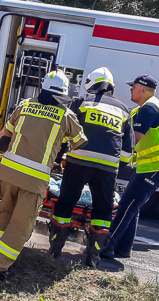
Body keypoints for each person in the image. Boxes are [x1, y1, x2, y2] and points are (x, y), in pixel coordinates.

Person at [0, 70, 87, 281]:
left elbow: (4, 138)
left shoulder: (24, 105)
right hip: (34, 179)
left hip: (9, 172)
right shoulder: (66, 115)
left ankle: (0, 252)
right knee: (22, 226)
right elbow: (80, 142)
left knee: (6, 213)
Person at [48, 67, 135, 267]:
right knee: (103, 210)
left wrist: (58, 157)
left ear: (90, 83)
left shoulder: (81, 103)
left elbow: (63, 129)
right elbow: (128, 151)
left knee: (66, 203)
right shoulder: (123, 110)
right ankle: (93, 256)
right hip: (107, 167)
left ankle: (55, 248)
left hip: (78, 161)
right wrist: (114, 168)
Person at [101, 74, 159, 259]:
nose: (130, 89)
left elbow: (133, 140)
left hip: (158, 165)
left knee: (127, 204)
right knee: (132, 205)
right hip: (152, 166)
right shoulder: (144, 109)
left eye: (133, 86)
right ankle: (122, 248)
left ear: (142, 89)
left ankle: (107, 246)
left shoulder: (149, 109)